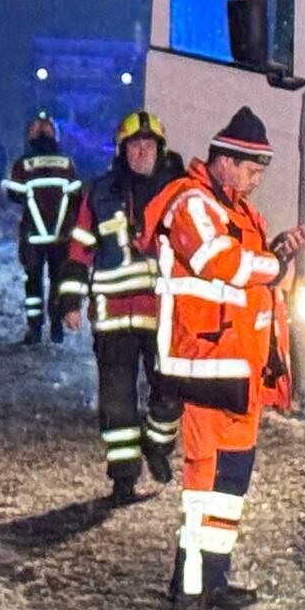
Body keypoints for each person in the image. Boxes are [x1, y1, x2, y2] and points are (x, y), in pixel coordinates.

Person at [154, 107, 305, 608]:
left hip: (239, 371)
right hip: (205, 366)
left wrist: (276, 254)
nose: (256, 181)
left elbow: (252, 276)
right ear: (224, 160)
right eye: (251, 169)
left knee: (230, 483)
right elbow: (217, 261)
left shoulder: (238, 210)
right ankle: (191, 586)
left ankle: (213, 579)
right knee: (206, 481)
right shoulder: (190, 203)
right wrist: (274, 262)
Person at [58, 110, 185, 504]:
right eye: (134, 145)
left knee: (172, 391)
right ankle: (123, 478)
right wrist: (69, 300)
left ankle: (158, 444)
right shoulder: (98, 192)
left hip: (164, 314)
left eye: (149, 145)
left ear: (161, 149)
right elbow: (78, 246)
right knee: (116, 400)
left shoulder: (179, 191)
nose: (142, 151)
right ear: (122, 150)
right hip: (111, 314)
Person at [4, 114, 83, 344]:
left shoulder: (22, 164)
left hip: (33, 235)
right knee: (58, 280)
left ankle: (34, 329)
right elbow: (77, 194)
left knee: (33, 282)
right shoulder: (67, 163)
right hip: (61, 235)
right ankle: (56, 328)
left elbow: (14, 194)